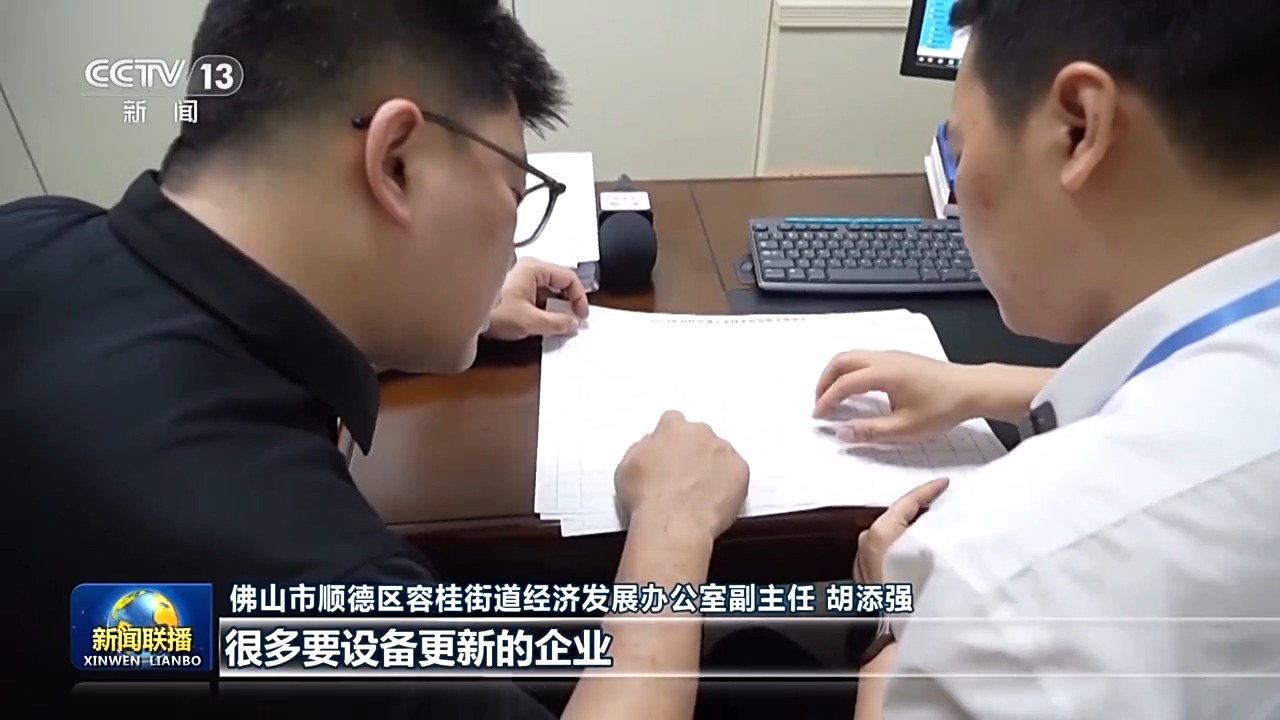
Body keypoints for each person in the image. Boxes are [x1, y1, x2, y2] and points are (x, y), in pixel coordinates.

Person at [0, 1, 754, 717]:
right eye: (517, 192)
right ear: (397, 164)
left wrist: (436, 311)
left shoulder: (32, 234)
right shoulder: (308, 586)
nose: (512, 239)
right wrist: (673, 527)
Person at [812, 1, 1280, 718]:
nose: (960, 185)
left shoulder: (1010, 570)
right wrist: (986, 386)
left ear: (1079, 129)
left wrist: (893, 621)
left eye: (959, 148)